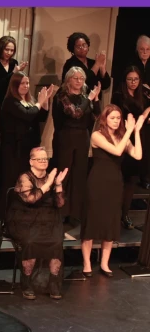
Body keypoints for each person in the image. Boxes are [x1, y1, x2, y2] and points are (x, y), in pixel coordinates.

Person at [80, 106, 144, 277]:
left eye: (118, 118)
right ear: (105, 119)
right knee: (92, 221)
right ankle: (87, 263)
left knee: (110, 222)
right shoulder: (97, 135)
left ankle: (104, 263)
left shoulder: (122, 137)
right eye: (112, 118)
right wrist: (129, 131)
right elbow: (116, 151)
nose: (116, 121)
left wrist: (136, 131)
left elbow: (138, 155)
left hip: (115, 182)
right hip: (97, 182)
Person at [6, 148, 67, 300]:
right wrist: (49, 183)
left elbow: (60, 204)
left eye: (45, 158)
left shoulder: (51, 178)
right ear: (31, 161)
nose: (43, 161)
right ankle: (26, 282)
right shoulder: (25, 177)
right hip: (25, 218)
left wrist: (58, 184)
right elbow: (31, 199)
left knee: (57, 241)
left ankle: (54, 283)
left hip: (49, 219)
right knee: (30, 242)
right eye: (39, 159)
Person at [0, 72, 52, 219]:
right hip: (14, 150)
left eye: (27, 83)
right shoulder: (10, 102)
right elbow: (27, 115)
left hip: (27, 149)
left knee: (25, 181)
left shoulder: (28, 101)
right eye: (22, 83)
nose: (26, 86)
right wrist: (39, 103)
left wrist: (45, 101)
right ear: (15, 86)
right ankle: (6, 216)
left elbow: (39, 117)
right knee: (12, 181)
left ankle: (21, 215)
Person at [52, 66, 102, 223]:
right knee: (64, 172)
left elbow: (97, 115)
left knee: (79, 173)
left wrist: (96, 98)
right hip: (66, 136)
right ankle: (60, 210)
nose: (79, 81)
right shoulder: (62, 96)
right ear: (68, 79)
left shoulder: (85, 96)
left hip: (82, 136)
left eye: (82, 78)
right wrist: (90, 98)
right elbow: (75, 113)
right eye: (76, 78)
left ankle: (75, 212)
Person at [0, 35, 28, 183]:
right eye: (6, 49)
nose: (9, 53)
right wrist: (13, 73)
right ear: (0, 48)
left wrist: (17, 74)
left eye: (12, 50)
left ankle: (3, 167)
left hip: (9, 103)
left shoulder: (14, 63)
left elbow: (14, 84)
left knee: (7, 135)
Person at [111, 66, 150, 222]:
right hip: (124, 136)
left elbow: (145, 114)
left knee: (132, 179)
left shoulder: (143, 95)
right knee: (121, 177)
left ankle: (124, 214)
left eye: (136, 79)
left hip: (139, 137)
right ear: (125, 80)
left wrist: (146, 116)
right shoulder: (119, 96)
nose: (133, 82)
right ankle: (114, 213)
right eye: (130, 79)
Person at [61, 32, 111, 96]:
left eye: (84, 45)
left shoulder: (92, 62)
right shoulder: (70, 64)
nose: (82, 48)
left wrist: (102, 68)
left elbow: (105, 85)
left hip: (95, 99)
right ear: (73, 49)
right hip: (77, 99)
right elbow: (86, 81)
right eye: (78, 46)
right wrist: (97, 64)